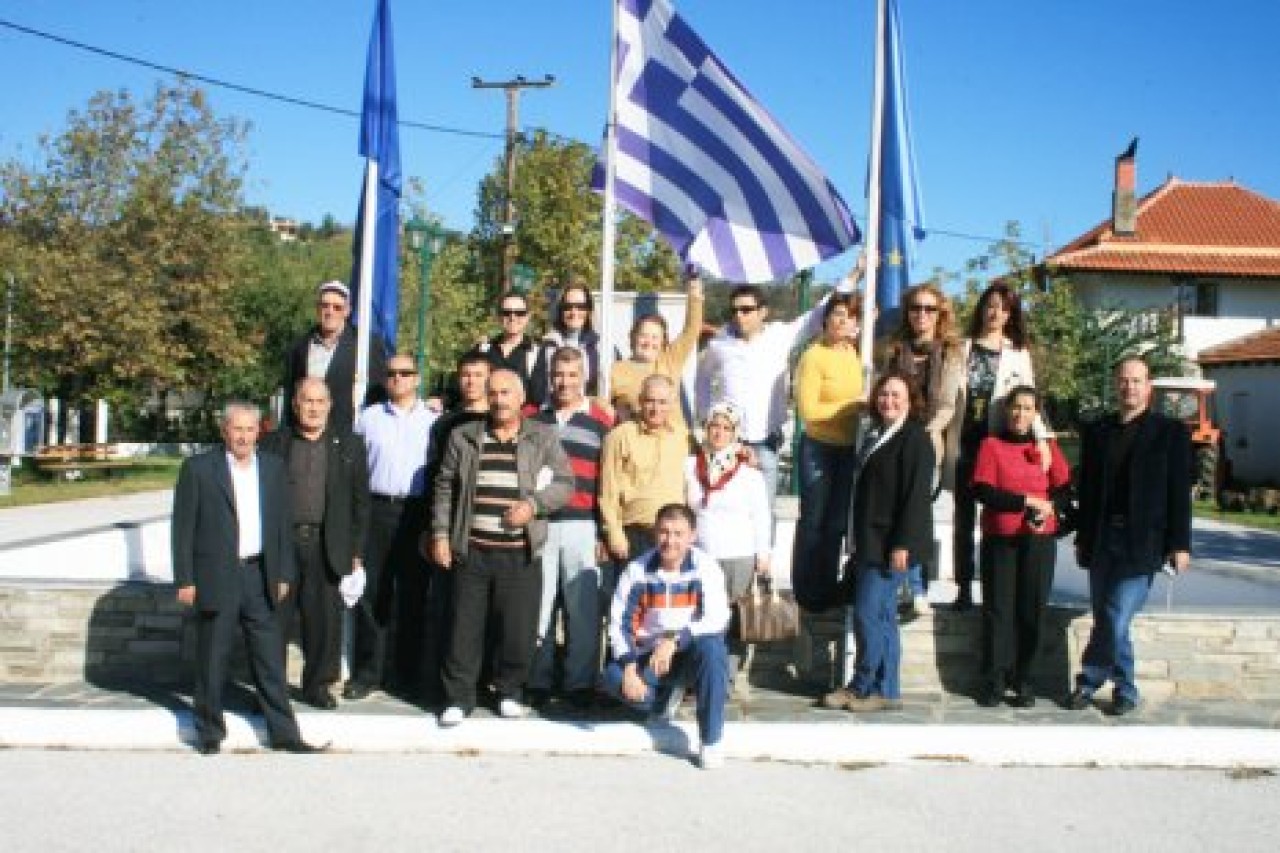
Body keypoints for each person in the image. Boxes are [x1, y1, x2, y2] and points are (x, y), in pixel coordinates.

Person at [171, 401, 323, 754]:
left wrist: (284, 572)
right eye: (236, 429)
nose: (243, 436)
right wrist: (185, 579)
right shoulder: (198, 469)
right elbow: (183, 528)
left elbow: (282, 526)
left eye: (249, 429)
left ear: (260, 432)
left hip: (260, 576)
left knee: (270, 660)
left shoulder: (272, 468)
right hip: (217, 575)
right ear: (224, 430)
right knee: (213, 658)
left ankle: (285, 734)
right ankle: (210, 732)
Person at [430, 369, 574, 726]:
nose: (498, 400)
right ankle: (459, 698)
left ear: (521, 397)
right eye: (493, 393)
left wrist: (534, 506)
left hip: (519, 551)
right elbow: (445, 486)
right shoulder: (464, 436)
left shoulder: (542, 437)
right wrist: (440, 534)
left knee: (517, 629)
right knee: (463, 628)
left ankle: (510, 691)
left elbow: (565, 482)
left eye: (506, 393)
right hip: (472, 549)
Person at [1067, 357, 1192, 716]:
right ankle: (1118, 687)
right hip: (1103, 539)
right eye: (1123, 381)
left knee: (1116, 614)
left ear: (1149, 387)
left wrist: (1180, 544)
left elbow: (1178, 494)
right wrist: (1081, 536)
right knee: (1106, 616)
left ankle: (1095, 681)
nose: (1129, 387)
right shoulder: (1099, 432)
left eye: (1136, 381)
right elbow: (1087, 491)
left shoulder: (1170, 433)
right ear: (1115, 385)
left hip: (1143, 542)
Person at [696, 261, 862, 509]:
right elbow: (702, 379)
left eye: (746, 309)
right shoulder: (719, 344)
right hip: (727, 442)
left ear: (763, 312)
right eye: (735, 310)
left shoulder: (780, 336)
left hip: (766, 441)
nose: (739, 316)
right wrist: (706, 417)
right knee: (726, 509)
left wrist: (855, 273)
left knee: (764, 511)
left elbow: (818, 313)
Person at [823, 373, 934, 713]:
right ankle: (886, 689)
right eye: (883, 394)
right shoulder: (875, 435)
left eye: (896, 395)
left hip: (890, 545)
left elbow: (916, 497)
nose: (888, 400)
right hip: (868, 541)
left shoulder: (914, 439)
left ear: (910, 400)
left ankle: (863, 684)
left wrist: (903, 544)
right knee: (882, 617)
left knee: (869, 615)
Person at [259, 378, 370, 710]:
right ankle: (271, 691)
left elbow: (360, 503)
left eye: (320, 401)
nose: (313, 408)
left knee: (323, 622)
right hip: (281, 544)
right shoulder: (273, 444)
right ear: (295, 404)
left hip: (327, 543)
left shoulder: (349, 445)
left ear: (330, 405)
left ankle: (318, 686)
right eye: (307, 401)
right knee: (273, 620)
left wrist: (356, 551)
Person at [603, 504, 732, 770]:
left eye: (678, 533)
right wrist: (628, 667)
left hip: (688, 654)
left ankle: (711, 741)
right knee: (612, 677)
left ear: (692, 536)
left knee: (714, 649)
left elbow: (718, 617)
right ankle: (661, 700)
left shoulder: (706, 567)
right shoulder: (637, 571)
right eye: (663, 532)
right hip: (649, 658)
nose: (669, 540)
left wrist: (674, 640)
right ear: (655, 534)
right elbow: (619, 624)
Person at [952, 282, 1050, 612]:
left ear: (1011, 315)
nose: (996, 313)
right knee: (962, 519)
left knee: (996, 518)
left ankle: (998, 588)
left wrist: (1043, 439)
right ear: (982, 307)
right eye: (991, 305)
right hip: (965, 442)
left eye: (1004, 308)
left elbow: (1029, 399)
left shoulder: (1018, 354)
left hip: (999, 447)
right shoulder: (960, 348)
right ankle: (963, 586)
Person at [970, 385, 1070, 708]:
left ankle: (1023, 678)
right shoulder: (991, 445)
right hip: (1001, 539)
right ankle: (994, 679)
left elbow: (1064, 489)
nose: (1021, 414)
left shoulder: (1047, 449)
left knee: (1032, 611)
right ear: (1006, 410)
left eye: (1028, 408)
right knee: (999, 610)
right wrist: (1025, 501)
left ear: (1036, 414)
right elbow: (983, 492)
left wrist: (1049, 508)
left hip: (1038, 539)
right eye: (1016, 407)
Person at [528, 346, 614, 710]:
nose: (564, 382)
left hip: (583, 525)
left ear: (585, 378)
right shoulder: (533, 419)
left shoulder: (602, 422)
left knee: (583, 611)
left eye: (572, 375)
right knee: (539, 606)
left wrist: (605, 532)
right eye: (558, 374)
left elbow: (609, 480)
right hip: (542, 522)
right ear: (550, 376)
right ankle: (538, 679)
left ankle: (579, 682)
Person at [350, 354, 438, 700]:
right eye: (392, 374)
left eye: (406, 373)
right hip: (377, 509)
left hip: (416, 513)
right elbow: (356, 471)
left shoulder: (433, 421)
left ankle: (407, 674)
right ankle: (368, 673)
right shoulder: (368, 419)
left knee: (414, 595)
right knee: (374, 595)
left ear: (417, 378)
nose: (398, 378)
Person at [878, 282, 963, 614]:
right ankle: (893, 584)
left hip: (927, 443)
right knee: (889, 512)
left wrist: (918, 437)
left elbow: (946, 406)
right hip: (891, 441)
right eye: (916, 307)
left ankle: (915, 587)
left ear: (939, 313)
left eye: (929, 308)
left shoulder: (950, 353)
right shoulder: (893, 350)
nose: (922, 315)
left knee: (916, 514)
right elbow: (882, 392)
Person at [685, 402, 771, 679]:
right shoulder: (690, 466)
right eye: (714, 426)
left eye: (726, 428)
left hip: (739, 553)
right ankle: (701, 674)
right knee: (702, 615)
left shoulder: (748, 472)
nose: (719, 433)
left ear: (735, 433)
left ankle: (726, 675)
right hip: (702, 553)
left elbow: (761, 515)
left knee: (734, 618)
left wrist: (764, 553)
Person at [791, 292, 864, 612]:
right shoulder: (814, 356)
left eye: (849, 316)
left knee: (836, 523)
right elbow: (809, 411)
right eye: (836, 314)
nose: (842, 321)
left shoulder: (855, 355)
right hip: (819, 447)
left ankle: (827, 586)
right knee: (814, 520)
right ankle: (805, 589)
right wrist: (852, 407)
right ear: (826, 320)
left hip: (848, 449)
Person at [598, 374, 690, 563]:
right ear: (640, 401)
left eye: (663, 402)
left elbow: (718, 445)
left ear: (672, 404)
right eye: (650, 401)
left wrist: (744, 453)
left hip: (674, 536)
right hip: (635, 535)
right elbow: (608, 491)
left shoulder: (683, 437)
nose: (656, 409)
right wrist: (614, 534)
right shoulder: (619, 437)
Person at [283, 280, 386, 432]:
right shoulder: (299, 347)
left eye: (337, 307)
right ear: (318, 308)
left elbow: (380, 391)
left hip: (349, 435)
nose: (330, 312)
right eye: (325, 305)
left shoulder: (366, 345)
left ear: (347, 311)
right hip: (306, 437)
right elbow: (290, 396)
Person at [609, 270, 704, 427]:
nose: (649, 342)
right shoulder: (616, 370)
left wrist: (694, 291)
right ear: (632, 338)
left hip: (673, 441)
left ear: (662, 342)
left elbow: (692, 328)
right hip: (636, 443)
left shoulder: (670, 360)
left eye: (655, 337)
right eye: (643, 335)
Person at [471, 291, 547, 408]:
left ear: (527, 317)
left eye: (519, 313)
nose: (512, 317)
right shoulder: (483, 350)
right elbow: (465, 382)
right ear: (499, 317)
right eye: (506, 313)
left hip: (520, 421)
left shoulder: (536, 352)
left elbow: (537, 397)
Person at [532, 282, 603, 401]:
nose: (574, 312)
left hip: (589, 415)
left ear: (589, 310)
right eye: (568, 307)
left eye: (581, 306)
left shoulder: (602, 347)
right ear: (560, 310)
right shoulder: (548, 346)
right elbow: (537, 391)